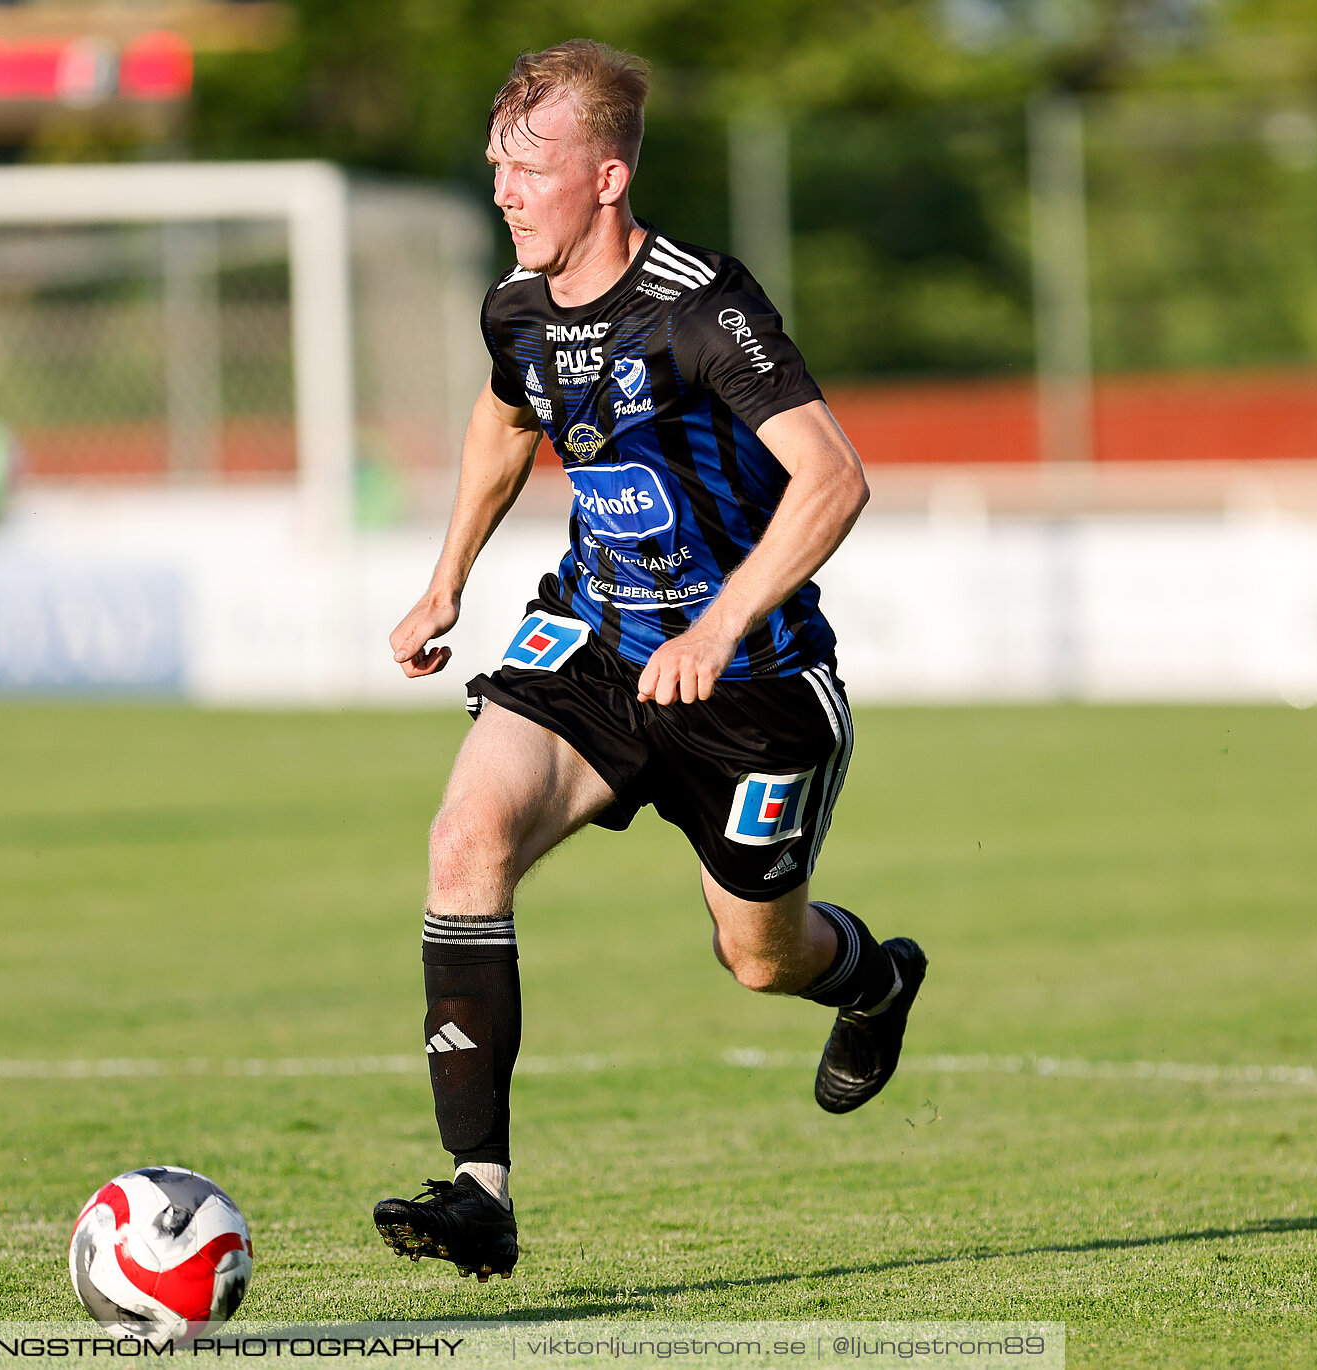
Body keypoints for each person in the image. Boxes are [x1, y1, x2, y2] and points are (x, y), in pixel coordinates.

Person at [370, 41, 926, 1283]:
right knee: (465, 840)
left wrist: (719, 625)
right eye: (495, 167)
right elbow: (504, 415)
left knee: (757, 955)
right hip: (597, 648)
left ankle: (876, 981)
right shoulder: (517, 305)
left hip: (756, 687)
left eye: (530, 168)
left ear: (608, 178)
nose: (505, 191)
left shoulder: (701, 307)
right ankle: (480, 1194)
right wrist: (447, 576)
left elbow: (836, 476)